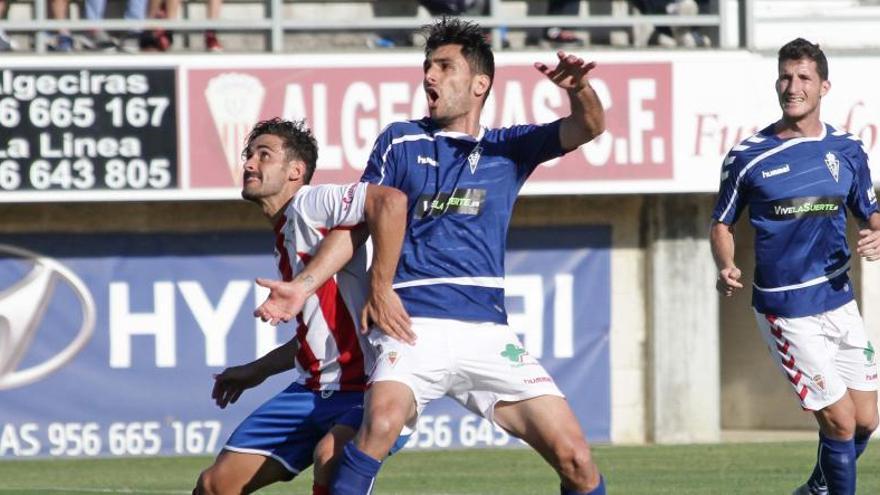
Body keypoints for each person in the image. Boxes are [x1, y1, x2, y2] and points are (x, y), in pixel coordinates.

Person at [256, 17, 607, 495]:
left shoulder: (509, 148)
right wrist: (303, 286)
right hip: (412, 327)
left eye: (444, 66)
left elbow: (588, 125)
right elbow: (356, 223)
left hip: (487, 333)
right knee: (378, 426)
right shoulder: (401, 141)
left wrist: (579, 89)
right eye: (427, 66)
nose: (429, 77)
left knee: (577, 461)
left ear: (480, 83)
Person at [193, 118, 408, 495]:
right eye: (248, 155)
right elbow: (319, 334)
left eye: (264, 155)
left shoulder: (310, 202)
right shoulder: (286, 231)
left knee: (331, 457)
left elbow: (389, 201)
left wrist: (381, 286)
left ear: (296, 171)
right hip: (311, 389)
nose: (249, 164)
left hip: (369, 388)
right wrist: (257, 369)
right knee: (214, 485)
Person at [710, 38, 880, 495]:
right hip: (787, 309)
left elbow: (869, 210)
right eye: (785, 76)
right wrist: (725, 264)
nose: (793, 86)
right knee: (840, 423)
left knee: (867, 420)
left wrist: (877, 231)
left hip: (839, 299)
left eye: (803, 77)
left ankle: (814, 491)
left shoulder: (847, 149)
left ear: (824, 86)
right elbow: (721, 224)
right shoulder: (748, 156)